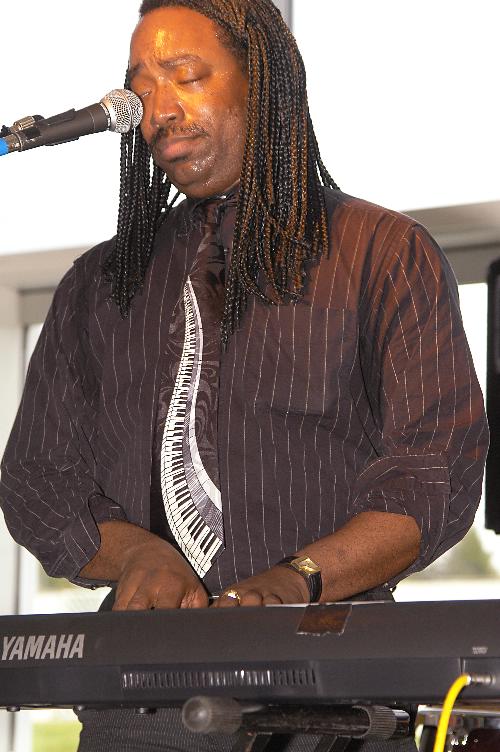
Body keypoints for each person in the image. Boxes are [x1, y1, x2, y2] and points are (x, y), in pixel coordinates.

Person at [0, 0, 488, 750]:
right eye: (141, 88)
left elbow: (432, 475)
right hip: (139, 711)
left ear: (264, 79)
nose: (159, 109)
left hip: (333, 704)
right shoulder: (95, 286)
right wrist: (137, 554)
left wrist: (299, 576)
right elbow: (36, 479)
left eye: (186, 76)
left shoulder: (384, 253)